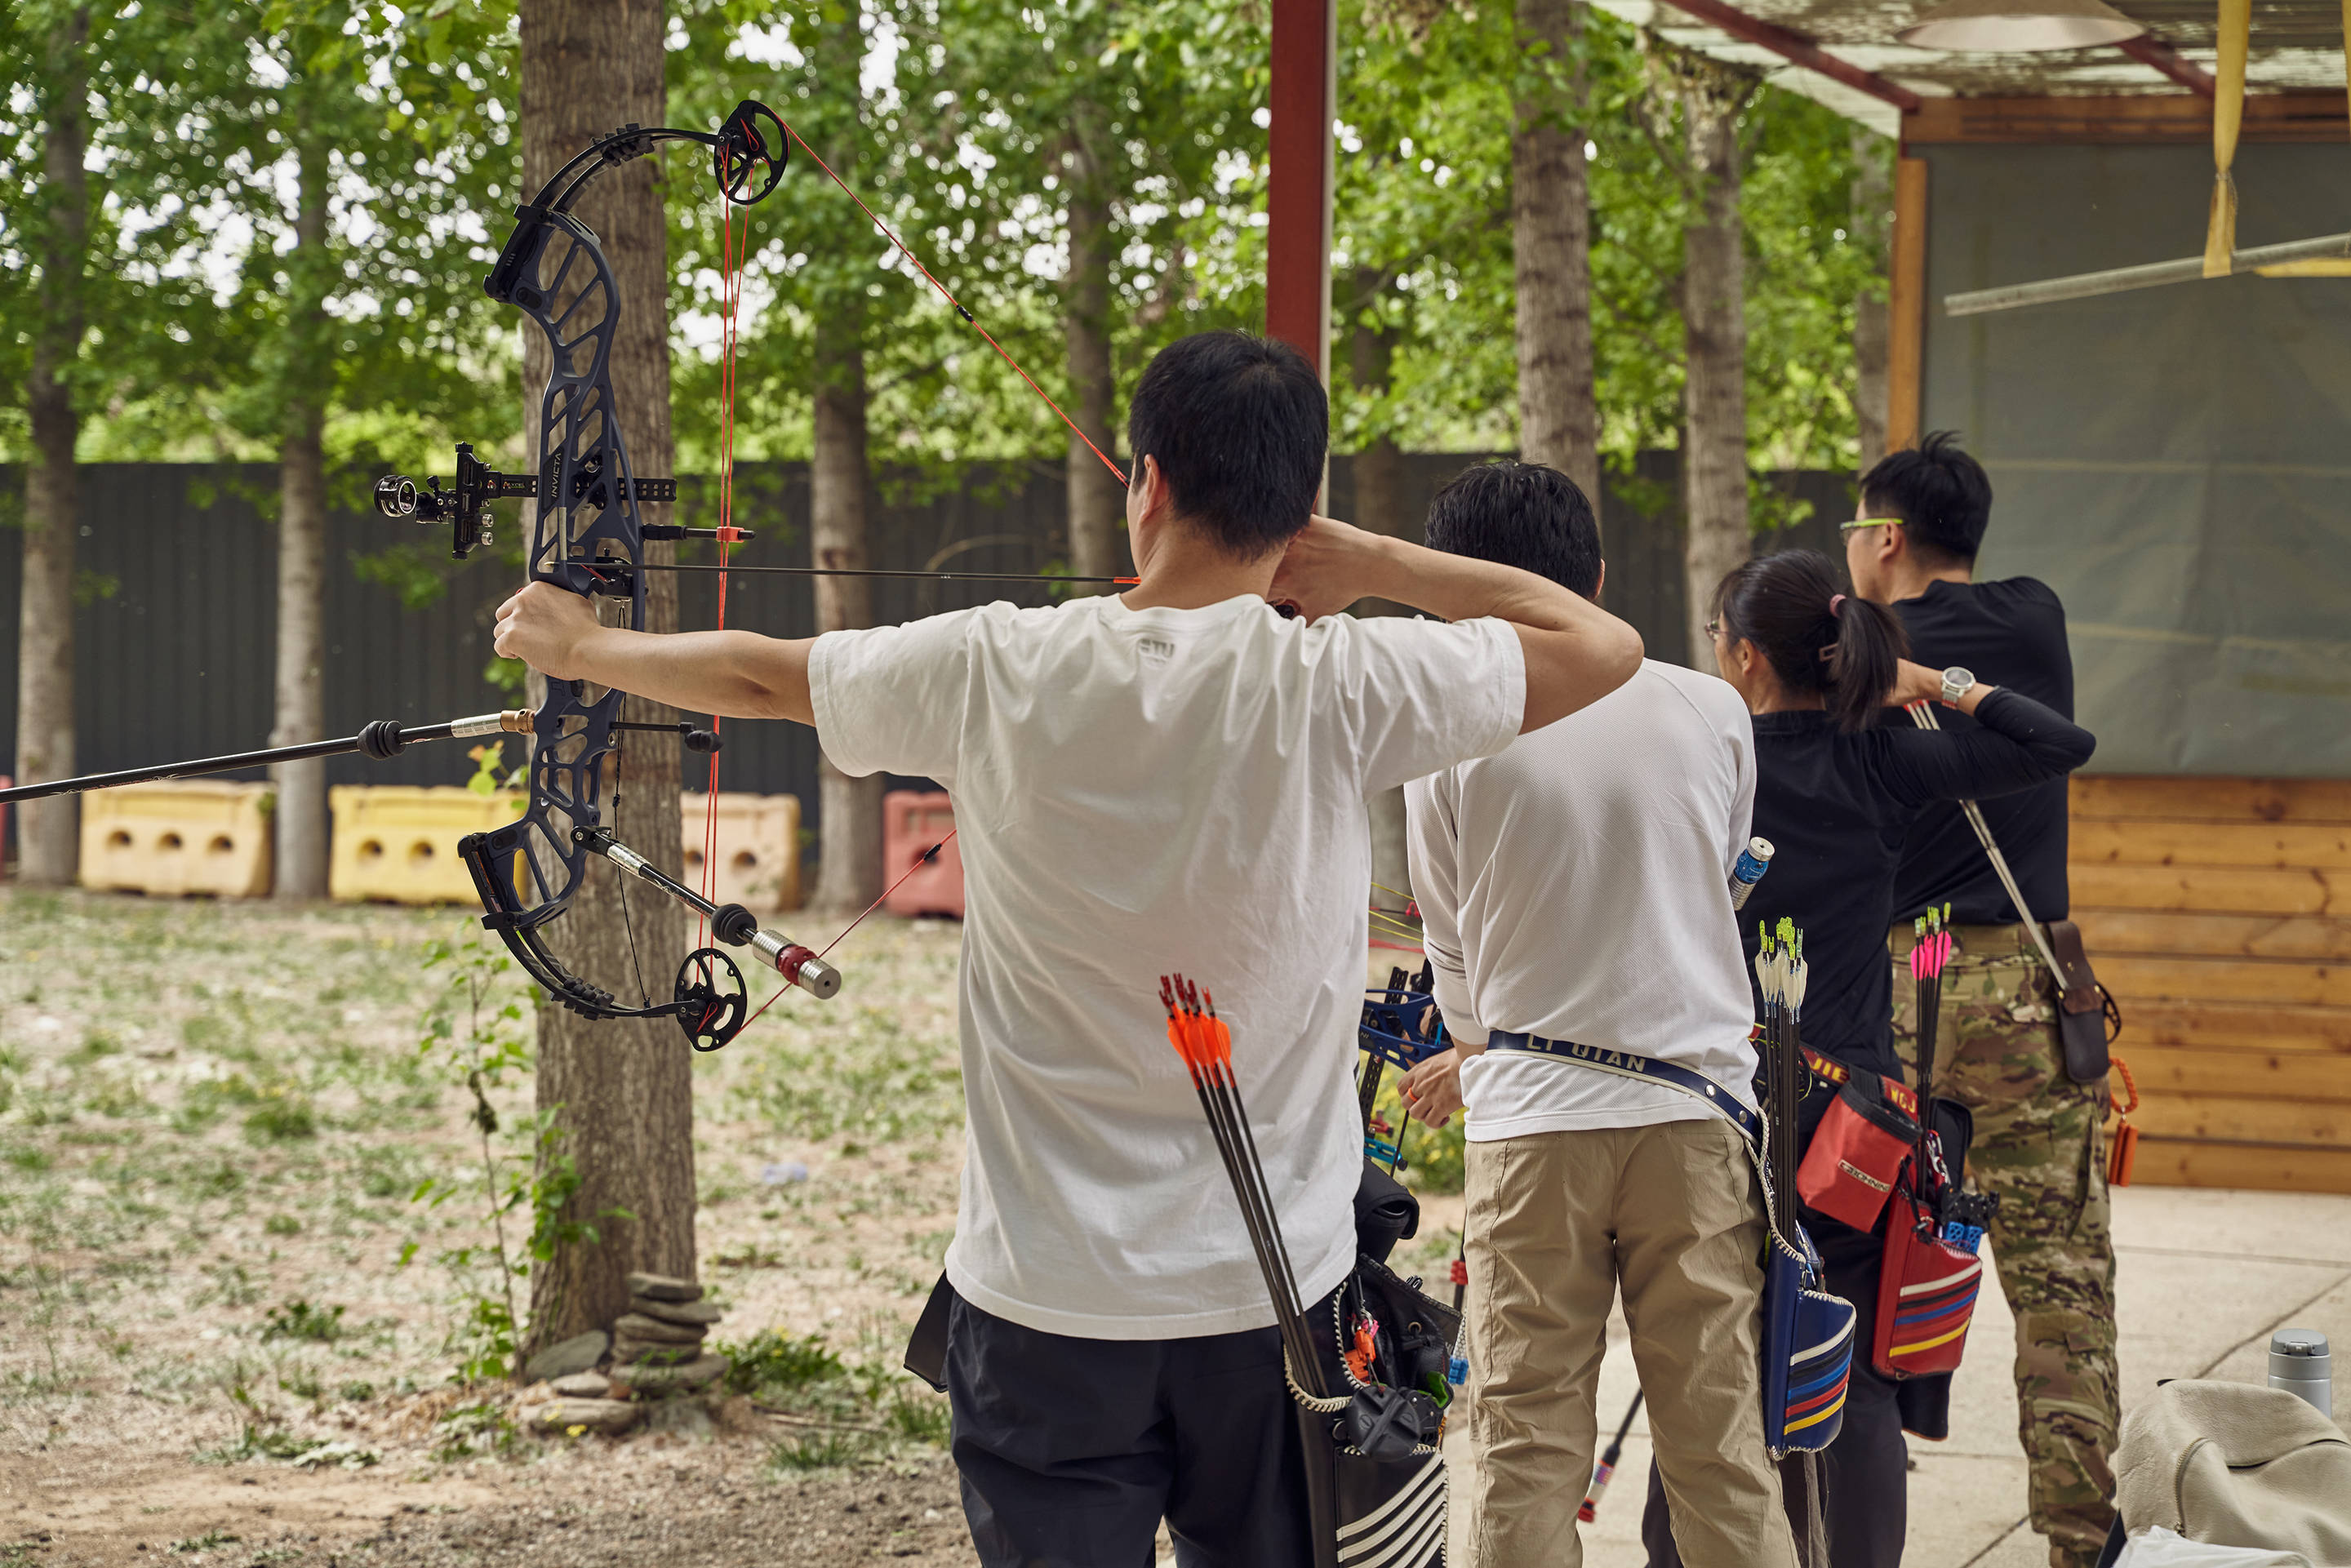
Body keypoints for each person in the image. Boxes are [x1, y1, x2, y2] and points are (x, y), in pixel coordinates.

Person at [490, 331, 1647, 1566]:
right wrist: (1375, 561)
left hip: (1046, 1300)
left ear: (1143, 483)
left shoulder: (1001, 661)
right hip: (1270, 1302)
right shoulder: (1346, 678)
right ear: (1301, 509)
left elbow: (766, 677)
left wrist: (575, 649)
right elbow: (1603, 645)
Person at [1638, 549, 2095, 1568]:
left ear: (1745, 655)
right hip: (1857, 1124)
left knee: (1705, 1362)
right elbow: (2062, 740)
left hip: (1720, 1108)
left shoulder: (1708, 760)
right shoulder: (1879, 755)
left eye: (1720, 639)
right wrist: (1932, 683)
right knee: (1856, 1372)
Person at [1390, 462, 1798, 1568]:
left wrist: (1479, 1037)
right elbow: (1719, 876)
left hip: (1531, 1125)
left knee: (1527, 1448)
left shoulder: (1451, 735)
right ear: (1601, 578)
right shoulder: (1711, 704)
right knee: (1719, 1448)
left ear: (1456, 590)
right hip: (1694, 1112)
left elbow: (1449, 937)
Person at [1848, 433, 2119, 1568]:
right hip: (2024, 990)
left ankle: (1852, 1529)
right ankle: (2078, 1543)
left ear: (1891, 537)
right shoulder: (2033, 619)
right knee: (2059, 1284)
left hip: (1893, 992)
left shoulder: (1848, 648)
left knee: (1859, 1266)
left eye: (1858, 527)